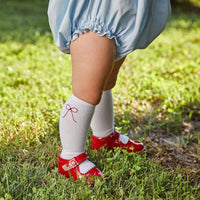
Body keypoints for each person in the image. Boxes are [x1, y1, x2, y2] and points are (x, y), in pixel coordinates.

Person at [47, 0, 171, 182]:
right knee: (87, 90)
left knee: (105, 78)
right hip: (98, 9)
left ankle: (104, 136)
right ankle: (70, 157)